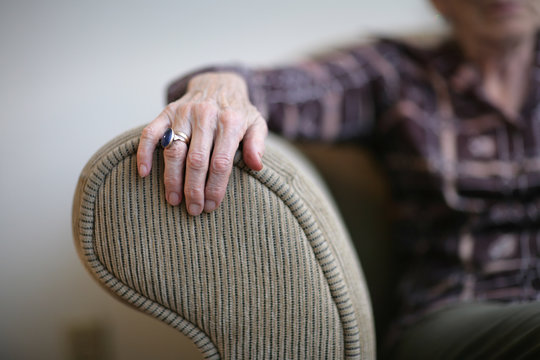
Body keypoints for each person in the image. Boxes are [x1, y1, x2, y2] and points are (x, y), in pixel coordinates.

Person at [137, 0, 540, 358]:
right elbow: (270, 88)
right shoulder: (397, 73)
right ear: (439, 3)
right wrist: (217, 90)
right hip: (457, 310)